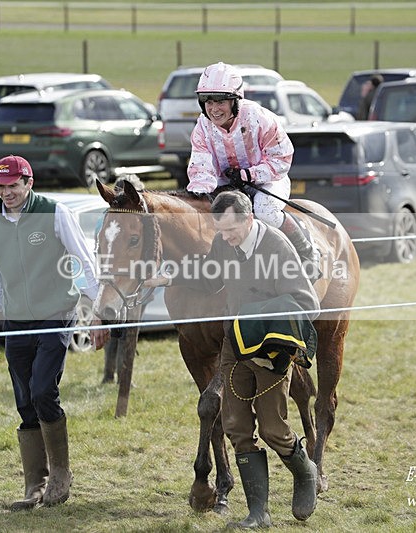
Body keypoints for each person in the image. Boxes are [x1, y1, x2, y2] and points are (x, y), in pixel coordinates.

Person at [145, 190, 320, 527]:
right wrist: (168, 277)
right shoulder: (224, 243)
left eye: (231, 231)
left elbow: (306, 303)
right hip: (234, 345)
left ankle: (306, 470)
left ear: (250, 219)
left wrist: (259, 318)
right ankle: (258, 513)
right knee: (236, 428)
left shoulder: (277, 247)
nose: (225, 239)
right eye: (220, 232)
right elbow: (211, 277)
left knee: (273, 430)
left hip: (272, 351)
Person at [0, 155, 109, 511]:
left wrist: (99, 313)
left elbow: (83, 261)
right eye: (1, 187)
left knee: (42, 389)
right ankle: (35, 484)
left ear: (28, 183)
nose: (7, 193)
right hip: (15, 320)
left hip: (55, 315)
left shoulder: (55, 212)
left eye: (13, 186)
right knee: (23, 399)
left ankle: (61, 474)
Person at [185, 61, 319, 272]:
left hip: (268, 181)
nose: (213, 109)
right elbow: (200, 167)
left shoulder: (260, 117)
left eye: (220, 101)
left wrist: (249, 174)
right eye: (207, 101)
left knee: (265, 211)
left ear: (235, 101)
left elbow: (281, 159)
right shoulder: (202, 125)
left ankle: (306, 250)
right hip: (227, 185)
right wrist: (199, 196)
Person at [101, 174, 146, 384]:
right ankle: (115, 376)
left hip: (133, 284)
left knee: (125, 330)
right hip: (120, 283)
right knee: (119, 330)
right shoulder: (115, 220)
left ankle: (118, 375)